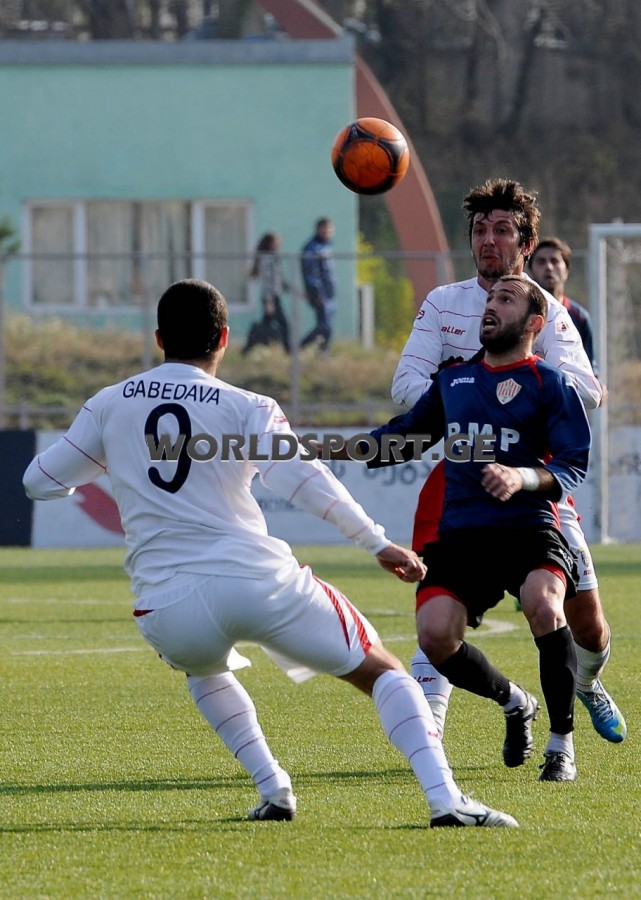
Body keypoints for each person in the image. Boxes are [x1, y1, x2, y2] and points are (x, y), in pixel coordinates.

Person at [22, 277, 517, 829]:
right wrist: (375, 541)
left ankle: (273, 786)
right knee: (381, 668)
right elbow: (306, 480)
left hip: (167, 607)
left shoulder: (110, 403)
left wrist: (104, 462)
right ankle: (445, 799)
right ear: (224, 338)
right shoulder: (249, 406)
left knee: (202, 669)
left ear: (158, 338)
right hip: (257, 582)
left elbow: (38, 482)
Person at [391, 178, 626, 745]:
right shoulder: (444, 303)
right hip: (463, 480)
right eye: (480, 230)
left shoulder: (543, 310)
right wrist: (466, 395)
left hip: (532, 487)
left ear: (526, 245)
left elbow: (589, 391)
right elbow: (405, 385)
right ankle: (431, 729)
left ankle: (586, 682)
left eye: (502, 230)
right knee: (438, 607)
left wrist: (517, 381)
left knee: (590, 628)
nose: (488, 240)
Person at [333, 275, 590, 780]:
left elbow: (571, 465)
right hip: (463, 534)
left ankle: (562, 743)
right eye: (490, 298)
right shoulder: (453, 382)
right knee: (434, 637)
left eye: (506, 299)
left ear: (534, 324)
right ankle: (515, 701)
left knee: (544, 604)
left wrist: (522, 477)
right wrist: (334, 449)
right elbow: (405, 437)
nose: (490, 305)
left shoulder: (551, 384)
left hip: (529, 526)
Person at [528, 236, 597, 373]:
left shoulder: (580, 317)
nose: (548, 267)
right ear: (530, 271)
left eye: (554, 261)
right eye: (541, 262)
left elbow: (589, 368)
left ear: (566, 270)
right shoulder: (522, 313)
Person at [242, 232, 291, 355]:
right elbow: (268, 282)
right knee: (284, 324)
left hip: (275, 296)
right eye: (276, 242)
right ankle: (289, 350)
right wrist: (269, 301)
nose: (278, 245)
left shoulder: (274, 258)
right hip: (270, 297)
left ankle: (250, 344)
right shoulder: (266, 259)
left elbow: (278, 279)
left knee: (266, 325)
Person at [300, 217, 337, 353]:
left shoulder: (326, 247)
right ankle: (298, 347)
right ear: (319, 229)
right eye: (326, 228)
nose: (328, 232)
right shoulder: (311, 248)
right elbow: (310, 274)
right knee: (324, 327)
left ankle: (323, 353)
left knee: (327, 328)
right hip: (319, 294)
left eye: (330, 229)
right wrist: (316, 293)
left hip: (329, 293)